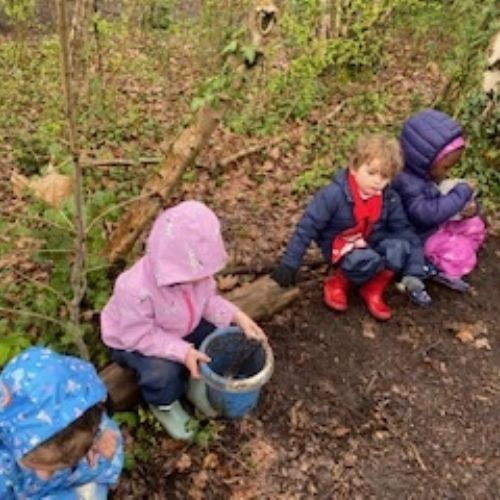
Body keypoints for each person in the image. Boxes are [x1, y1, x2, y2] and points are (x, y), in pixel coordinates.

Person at [101, 200, 267, 441]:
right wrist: (183, 351)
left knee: (213, 334)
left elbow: (207, 301)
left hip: (179, 324)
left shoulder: (196, 276)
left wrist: (236, 315)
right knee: (161, 373)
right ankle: (165, 405)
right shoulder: (134, 289)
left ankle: (196, 382)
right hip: (135, 340)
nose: (199, 281)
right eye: (191, 278)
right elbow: (139, 336)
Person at [271, 134, 431, 321]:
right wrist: (289, 264)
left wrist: (414, 271)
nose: (377, 181)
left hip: (370, 240)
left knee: (399, 247)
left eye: (384, 176)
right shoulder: (334, 194)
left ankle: (372, 289)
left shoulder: (389, 198)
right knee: (362, 258)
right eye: (371, 173)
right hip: (340, 244)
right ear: (354, 169)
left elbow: (405, 232)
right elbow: (308, 226)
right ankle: (338, 283)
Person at [0, 347, 123, 499]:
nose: (44, 476)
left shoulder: (88, 431)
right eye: (37, 466)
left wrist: (105, 458)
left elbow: (103, 467)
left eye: (55, 468)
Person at [393, 109, 486, 290]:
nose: (447, 172)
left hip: (436, 223)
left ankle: (452, 244)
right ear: (423, 159)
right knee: (462, 254)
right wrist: (461, 193)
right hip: (419, 235)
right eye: (445, 167)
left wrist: (469, 209)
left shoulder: (426, 173)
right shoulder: (406, 184)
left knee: (475, 225)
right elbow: (426, 215)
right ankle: (431, 263)